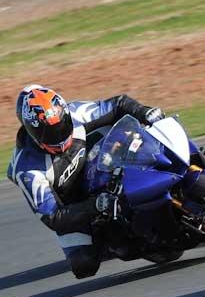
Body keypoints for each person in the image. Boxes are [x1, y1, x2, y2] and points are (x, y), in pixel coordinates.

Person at [6, 85, 165, 278]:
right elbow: (53, 218)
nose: (59, 135)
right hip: (73, 203)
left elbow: (118, 104)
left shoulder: (75, 113)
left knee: (140, 132)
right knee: (83, 265)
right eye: (49, 133)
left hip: (101, 162)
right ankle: (113, 242)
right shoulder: (27, 170)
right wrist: (94, 206)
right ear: (32, 132)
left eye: (62, 125)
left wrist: (144, 111)